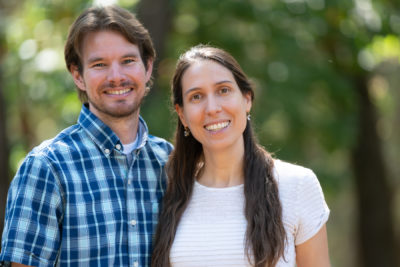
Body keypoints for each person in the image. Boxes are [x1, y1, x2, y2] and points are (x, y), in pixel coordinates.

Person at [0, 5, 172, 267]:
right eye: (99, 64)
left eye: (128, 61)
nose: (116, 77)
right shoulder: (46, 167)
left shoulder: (172, 162)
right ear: (78, 75)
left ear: (147, 68)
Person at [151, 45, 330, 267]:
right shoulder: (167, 191)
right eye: (196, 97)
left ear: (247, 99)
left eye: (223, 90)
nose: (213, 108)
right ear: (182, 115)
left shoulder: (296, 185)